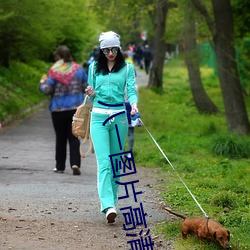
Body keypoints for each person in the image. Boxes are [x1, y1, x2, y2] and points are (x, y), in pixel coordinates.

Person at [85, 31, 138, 223]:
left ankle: (113, 202)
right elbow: (91, 97)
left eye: (114, 49)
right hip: (98, 117)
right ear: (101, 50)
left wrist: (134, 104)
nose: (110, 53)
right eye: (106, 50)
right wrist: (90, 92)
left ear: (119, 48)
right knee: (104, 163)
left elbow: (131, 90)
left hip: (119, 118)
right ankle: (107, 205)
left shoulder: (127, 68)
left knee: (116, 163)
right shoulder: (93, 68)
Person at [39, 45, 88, 175]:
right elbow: (86, 87)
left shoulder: (54, 71)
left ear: (58, 57)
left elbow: (47, 90)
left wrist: (42, 83)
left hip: (58, 109)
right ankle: (75, 163)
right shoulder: (79, 70)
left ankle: (60, 166)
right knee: (74, 137)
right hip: (75, 109)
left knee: (60, 138)